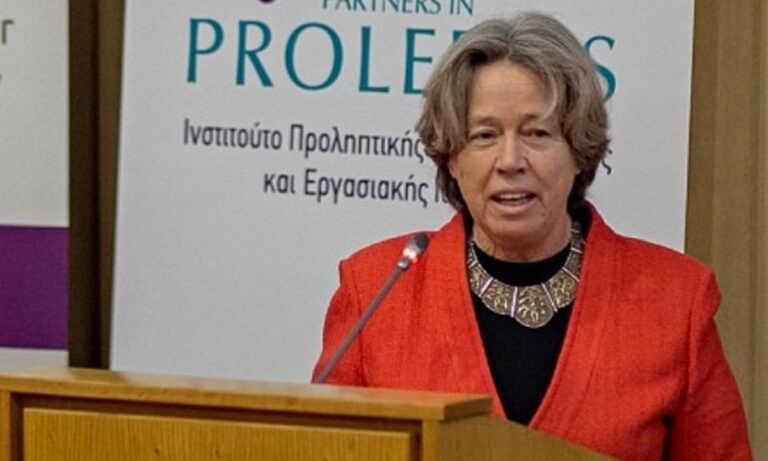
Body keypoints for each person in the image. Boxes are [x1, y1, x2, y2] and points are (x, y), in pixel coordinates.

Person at [312, 12, 752, 460]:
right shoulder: (376, 289)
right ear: (452, 157)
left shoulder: (675, 302)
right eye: (485, 135)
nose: (510, 161)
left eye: (537, 133)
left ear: (579, 150)